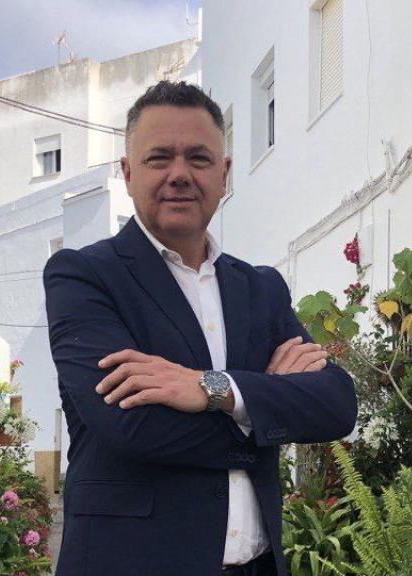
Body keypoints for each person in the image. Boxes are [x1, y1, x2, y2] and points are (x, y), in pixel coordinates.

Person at [44, 80, 357, 576]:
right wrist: (266, 402)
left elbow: (337, 404)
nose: (179, 174)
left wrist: (212, 389)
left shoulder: (261, 289)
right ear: (127, 173)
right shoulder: (83, 277)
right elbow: (131, 425)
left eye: (198, 158)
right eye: (159, 158)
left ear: (225, 172)